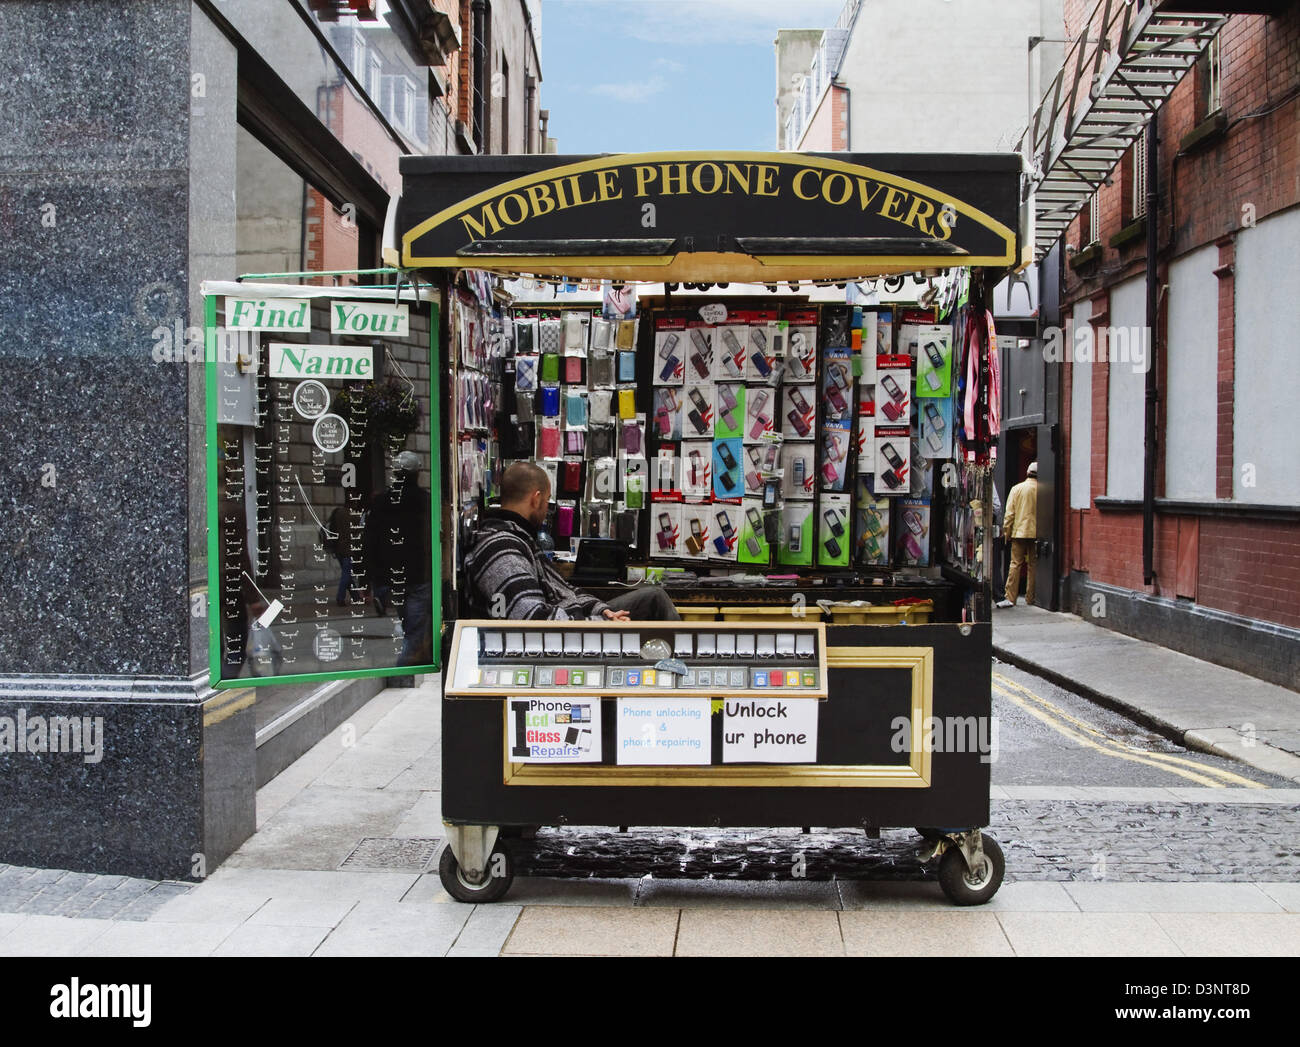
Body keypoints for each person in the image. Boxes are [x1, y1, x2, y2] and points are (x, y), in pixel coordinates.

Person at [463, 461, 680, 621]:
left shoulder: (520, 537)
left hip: (573, 616)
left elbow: (564, 590)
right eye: (547, 500)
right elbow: (533, 619)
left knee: (654, 597)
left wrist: (601, 610)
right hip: (562, 634)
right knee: (655, 601)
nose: (547, 507)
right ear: (536, 498)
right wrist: (600, 623)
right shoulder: (501, 550)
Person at [364, 451, 433, 665]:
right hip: (419, 572)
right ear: (417, 473)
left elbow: (370, 540)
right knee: (414, 628)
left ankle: (417, 661)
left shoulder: (382, 502)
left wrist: (371, 576)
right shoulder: (425, 500)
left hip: (394, 573)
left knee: (409, 623)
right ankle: (402, 669)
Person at [997, 461, 1038, 608]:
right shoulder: (1042, 489)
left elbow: (1009, 514)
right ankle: (1030, 597)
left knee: (1015, 564)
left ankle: (1010, 598)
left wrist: (1006, 531)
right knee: (1033, 565)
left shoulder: (1017, 489)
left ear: (1027, 473)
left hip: (1019, 532)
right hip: (1036, 533)